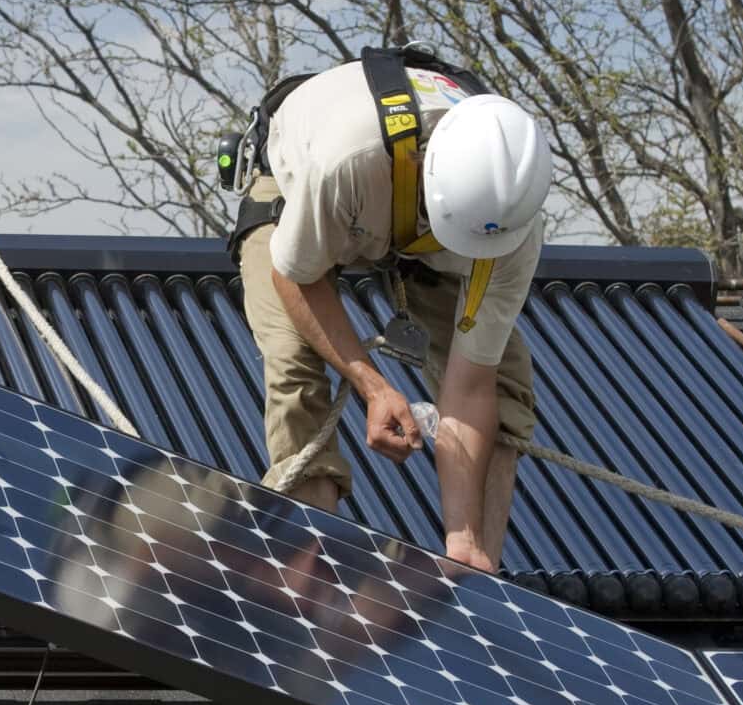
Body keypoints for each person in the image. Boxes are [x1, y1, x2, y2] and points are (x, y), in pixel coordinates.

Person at [234, 53, 551, 573]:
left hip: (415, 214)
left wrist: (462, 536)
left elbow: (470, 384)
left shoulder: (511, 219)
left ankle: (477, 574)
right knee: (295, 367)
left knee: (504, 382)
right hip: (303, 191)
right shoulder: (345, 162)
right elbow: (294, 276)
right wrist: (374, 387)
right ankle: (308, 578)